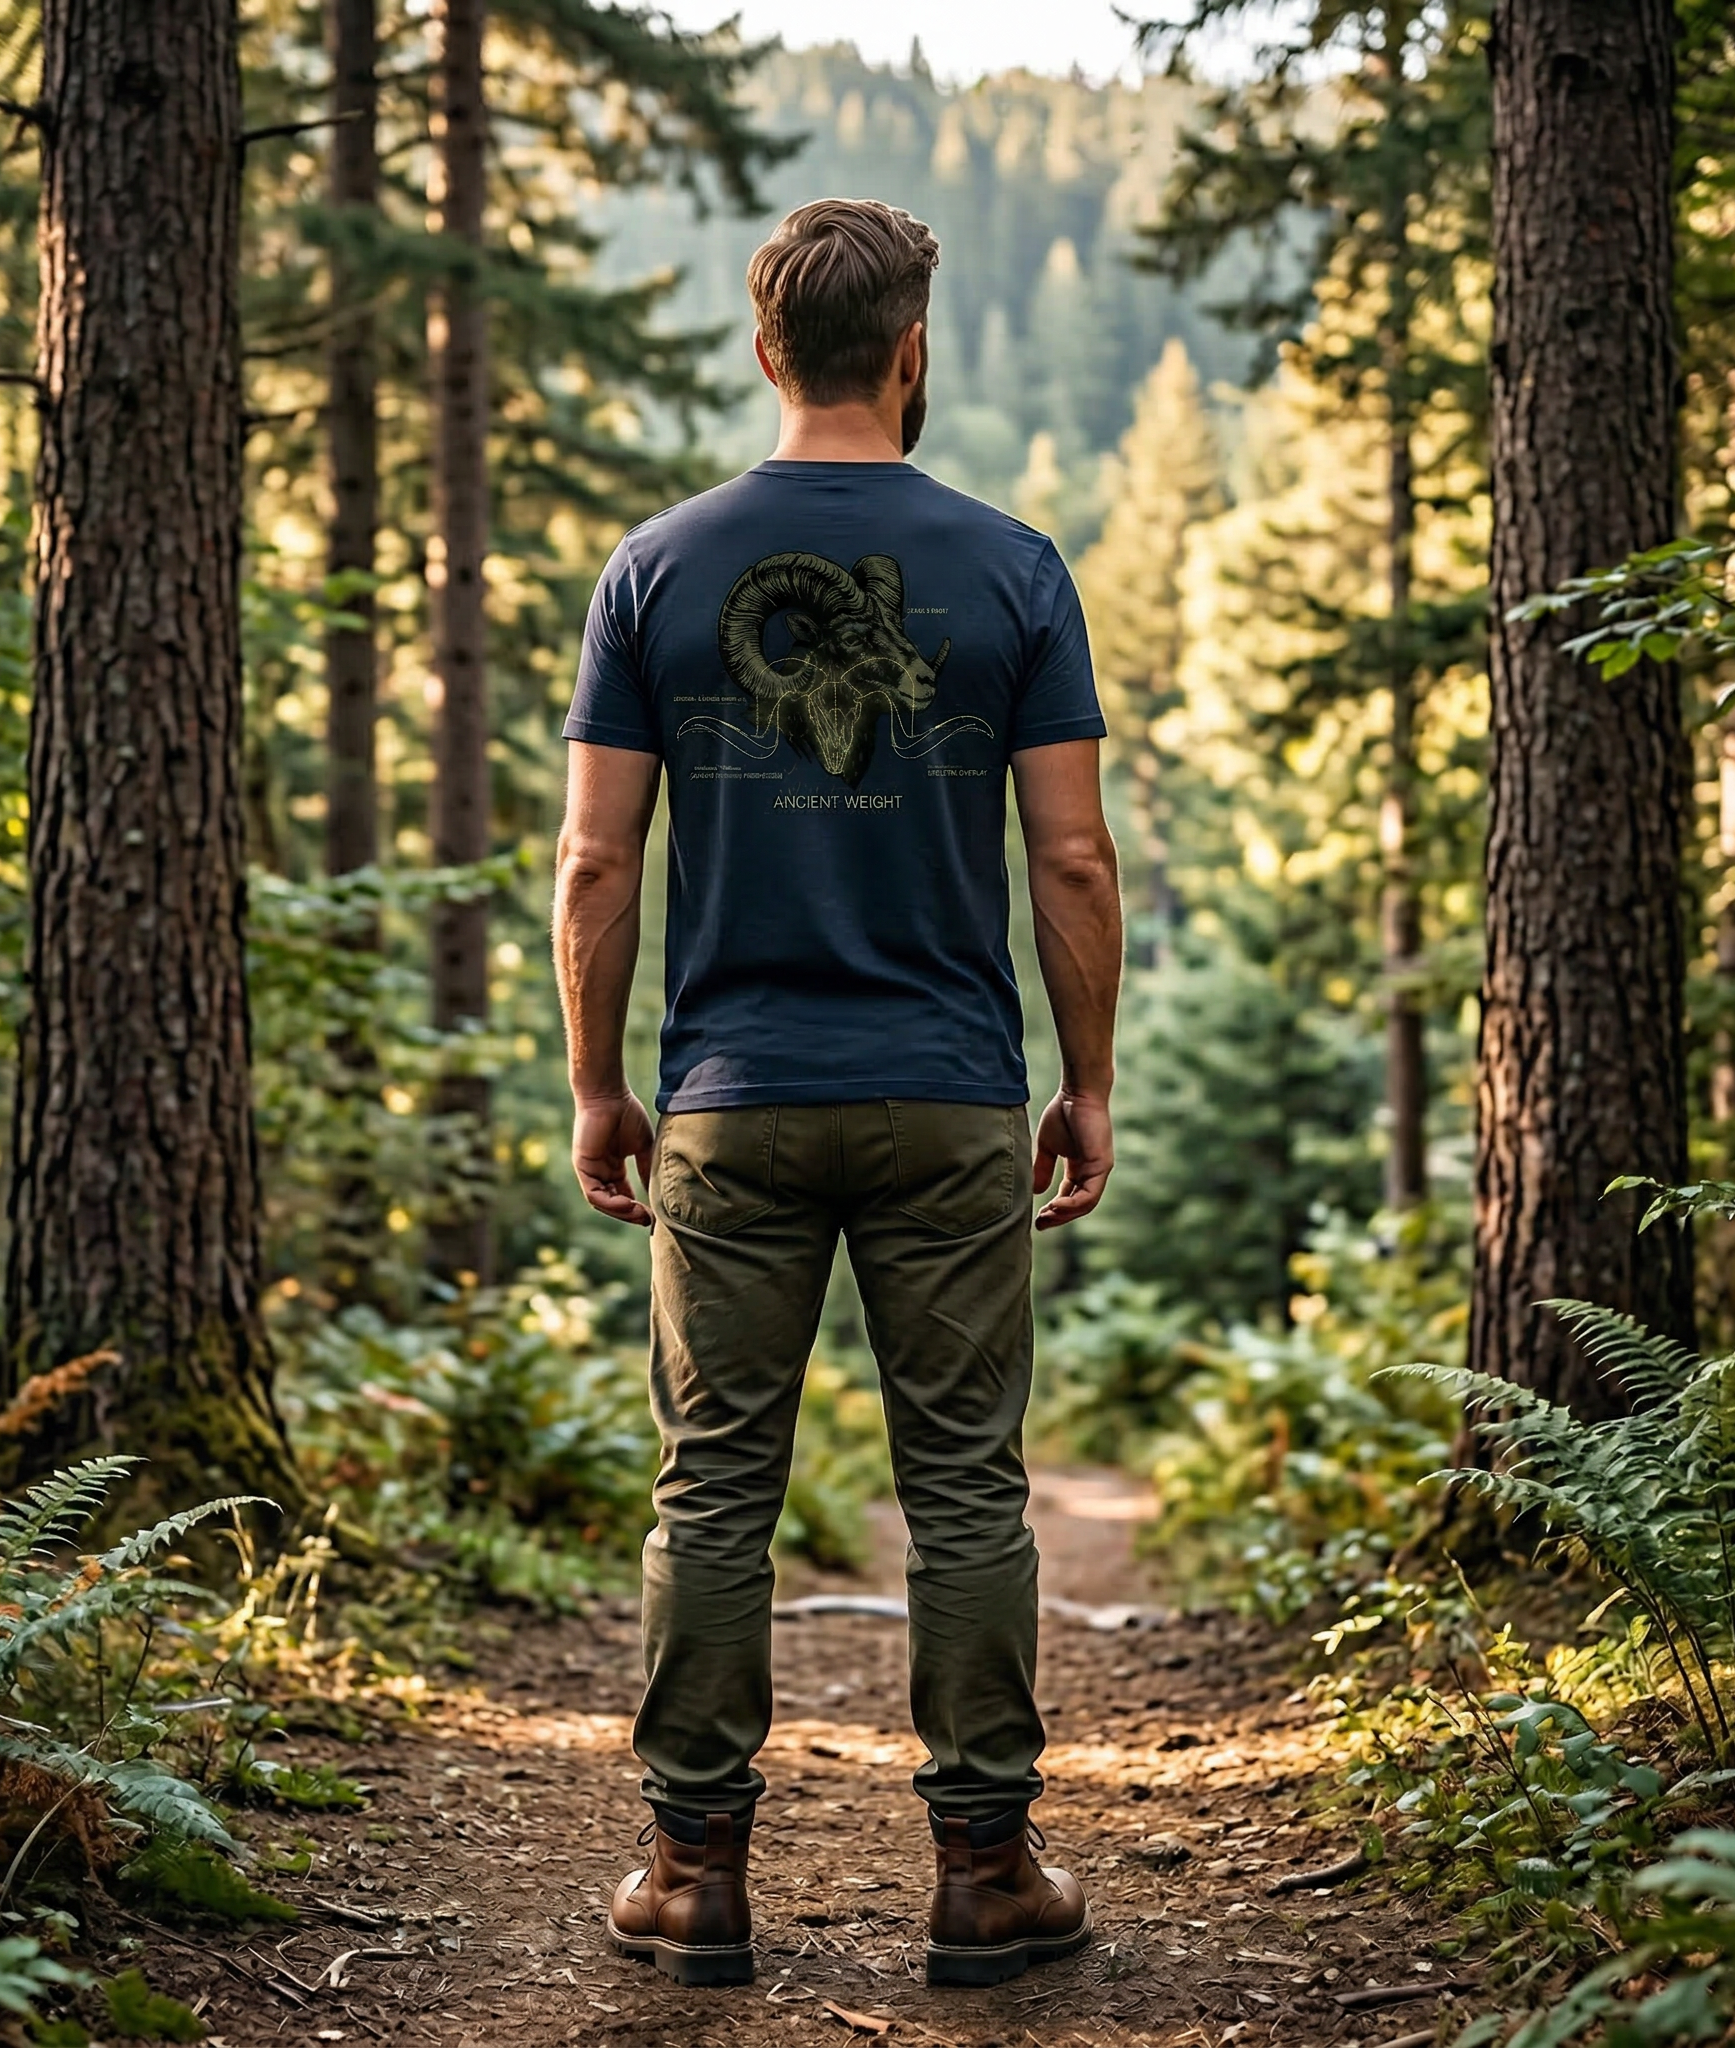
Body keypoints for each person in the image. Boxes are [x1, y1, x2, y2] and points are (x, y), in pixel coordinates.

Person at [552, 197, 1123, 1993]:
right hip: (951, 1093)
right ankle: (984, 1877)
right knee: (964, 1488)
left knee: (713, 1486)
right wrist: (1086, 1079)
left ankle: (691, 1877)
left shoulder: (655, 568)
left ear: (762, 349)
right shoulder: (1014, 569)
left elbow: (591, 862)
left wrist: (597, 1088)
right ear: (910, 354)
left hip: (726, 1094)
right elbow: (1079, 860)